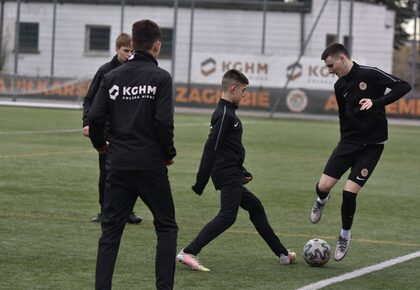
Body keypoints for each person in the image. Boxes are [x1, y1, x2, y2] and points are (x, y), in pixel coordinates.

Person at [88, 20, 178, 290]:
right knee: (166, 227)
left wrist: (99, 143)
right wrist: (168, 152)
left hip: (118, 164)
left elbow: (94, 115)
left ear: (133, 44)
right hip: (150, 165)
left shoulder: (113, 77)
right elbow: (163, 122)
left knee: (110, 233)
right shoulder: (160, 78)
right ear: (157, 45)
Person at [176, 69, 296, 272]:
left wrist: (241, 170)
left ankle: (283, 254)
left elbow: (228, 149)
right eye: (243, 90)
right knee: (227, 216)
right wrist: (201, 181)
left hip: (232, 172)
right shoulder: (224, 114)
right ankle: (188, 252)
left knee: (255, 207)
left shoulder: (228, 113)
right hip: (227, 173)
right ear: (233, 88)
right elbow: (211, 148)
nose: (244, 94)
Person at [310, 43, 411, 261]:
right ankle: (321, 200)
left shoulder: (370, 74)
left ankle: (344, 234)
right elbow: (343, 115)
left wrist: (377, 102)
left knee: (349, 192)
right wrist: (344, 139)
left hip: (372, 146)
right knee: (323, 185)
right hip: (348, 142)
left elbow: (404, 86)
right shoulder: (339, 86)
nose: (329, 71)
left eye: (330, 66)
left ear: (342, 58)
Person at [82, 32, 142, 224]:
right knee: (106, 174)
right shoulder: (105, 71)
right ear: (117, 49)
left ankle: (128, 211)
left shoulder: (136, 71)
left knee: (130, 172)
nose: (129, 55)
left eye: (132, 51)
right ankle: (105, 212)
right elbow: (90, 99)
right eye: (126, 51)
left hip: (128, 132)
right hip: (107, 131)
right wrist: (87, 123)